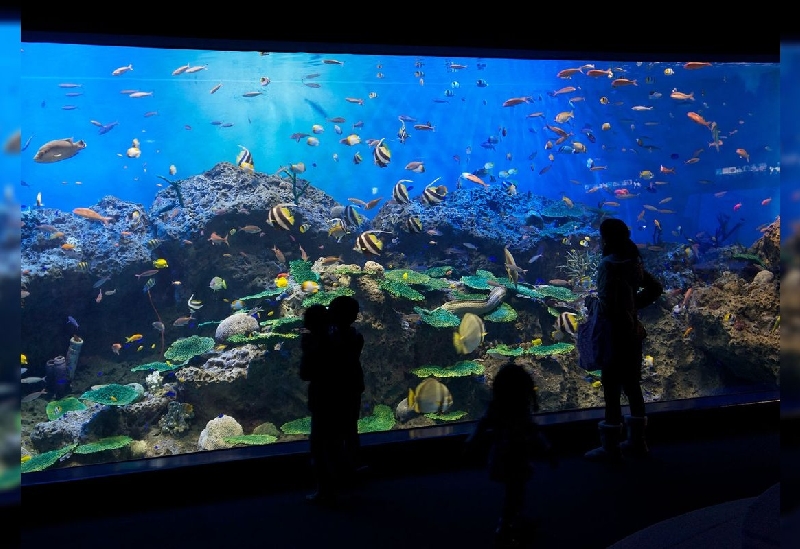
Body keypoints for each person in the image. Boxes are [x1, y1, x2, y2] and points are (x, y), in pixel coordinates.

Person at [584, 218, 663, 462]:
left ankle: (611, 448)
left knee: (611, 389)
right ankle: (638, 442)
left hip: (613, 335)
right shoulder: (633, 262)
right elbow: (656, 288)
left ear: (606, 238)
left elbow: (607, 304)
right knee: (632, 386)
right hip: (632, 332)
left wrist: (592, 304)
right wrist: (633, 308)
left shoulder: (608, 265)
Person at [464, 362, 554, 547]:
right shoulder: (521, 411)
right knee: (515, 492)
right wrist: (548, 450)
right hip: (516, 458)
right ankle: (506, 526)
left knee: (514, 492)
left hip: (501, 457)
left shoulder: (496, 408)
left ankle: (513, 520)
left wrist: (472, 441)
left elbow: (482, 424)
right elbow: (534, 431)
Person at [299, 304, 339, 504]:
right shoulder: (336, 342)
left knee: (319, 446)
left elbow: (305, 374)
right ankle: (339, 486)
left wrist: (306, 350)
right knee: (334, 443)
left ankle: (325, 490)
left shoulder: (315, 346)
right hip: (337, 398)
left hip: (321, 398)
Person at [327, 295, 366, 482]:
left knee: (334, 431)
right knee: (351, 429)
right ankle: (354, 466)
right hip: (353, 386)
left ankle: (338, 469)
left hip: (335, 389)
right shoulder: (357, 336)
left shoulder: (330, 339)